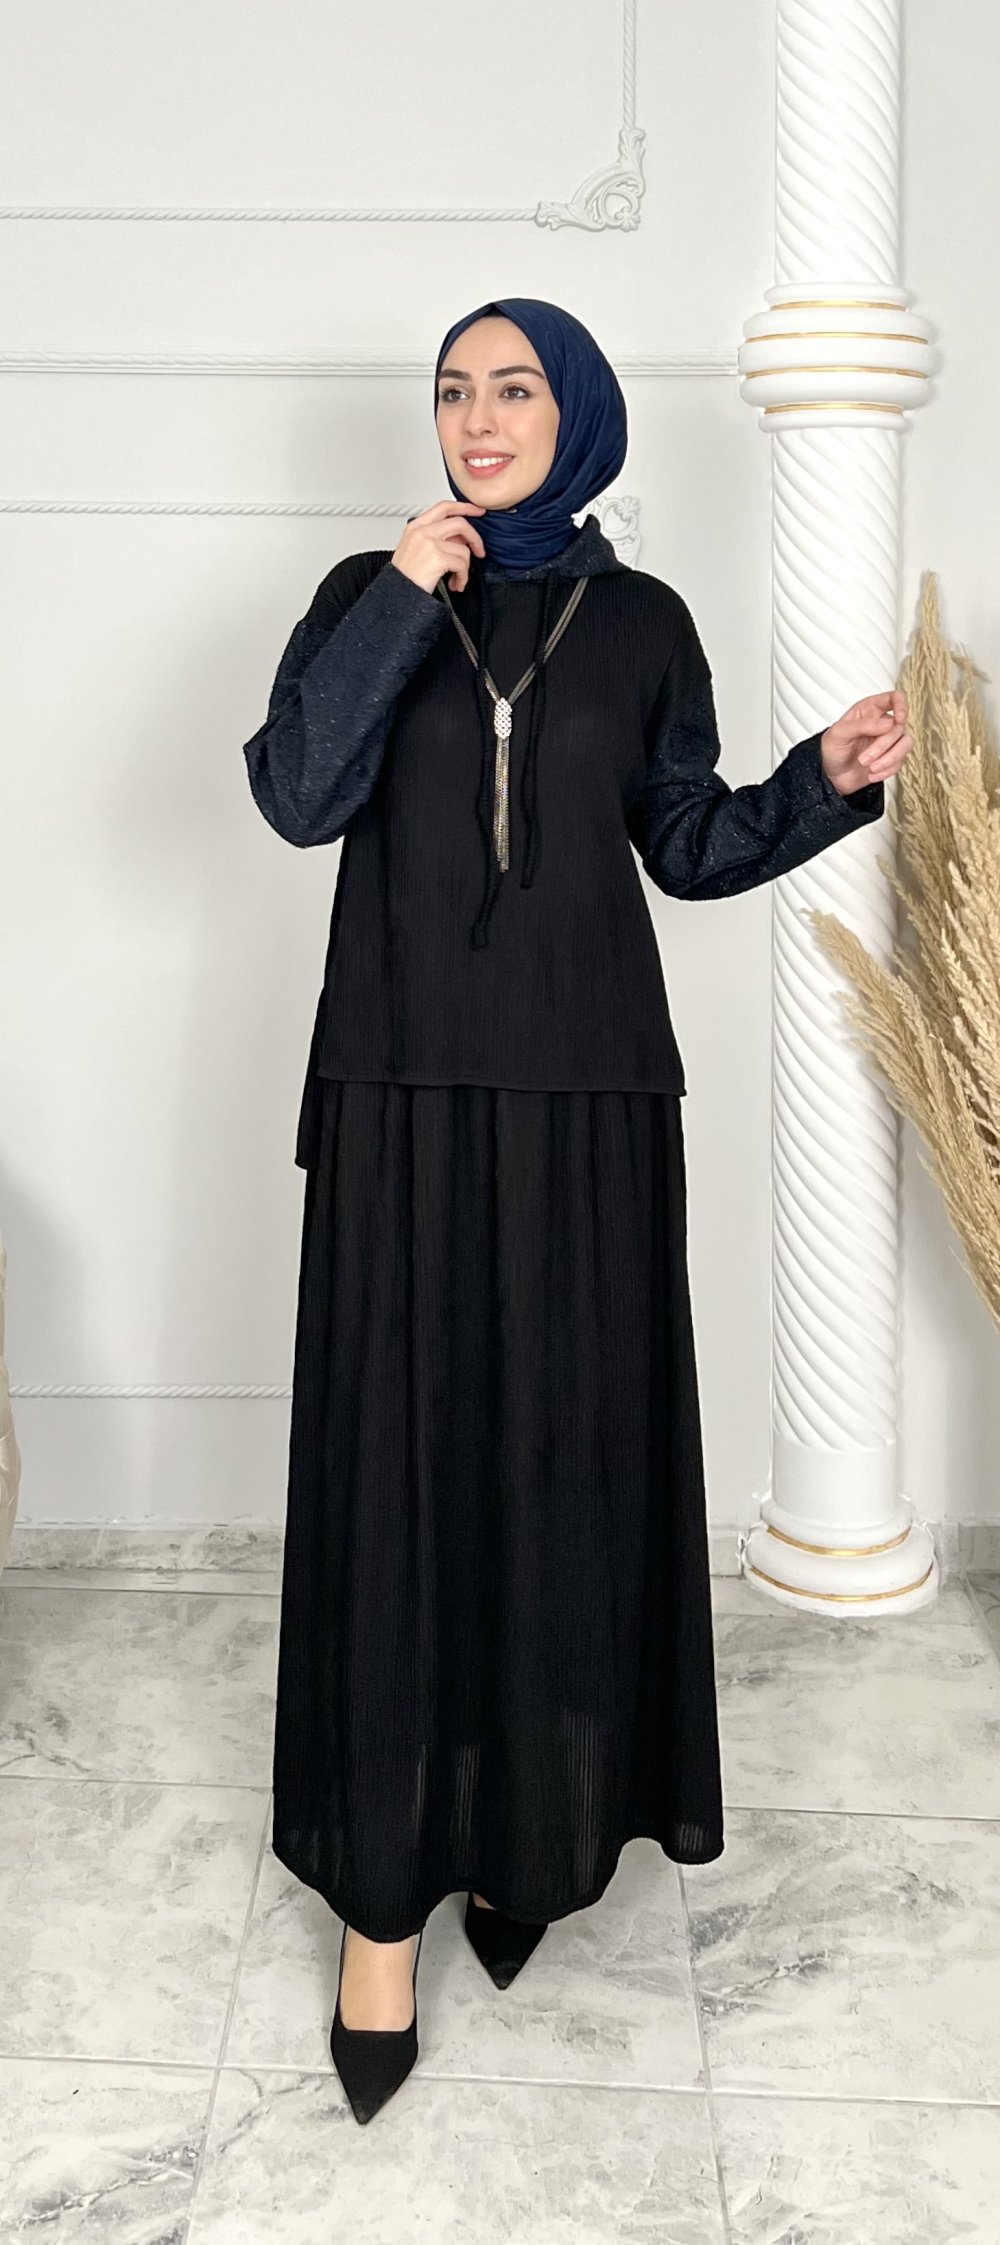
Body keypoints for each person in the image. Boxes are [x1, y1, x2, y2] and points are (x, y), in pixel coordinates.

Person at [242, 295, 911, 2125]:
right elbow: (297, 794)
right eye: (454, 391)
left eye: (515, 388)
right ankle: (384, 1906)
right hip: (397, 1099)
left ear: (581, 414)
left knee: (554, 1469)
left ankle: (521, 1835)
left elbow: (683, 843)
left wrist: (821, 787)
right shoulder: (362, 596)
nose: (479, 418)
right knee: (400, 1480)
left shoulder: (648, 623)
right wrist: (404, 594)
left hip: (593, 1110)